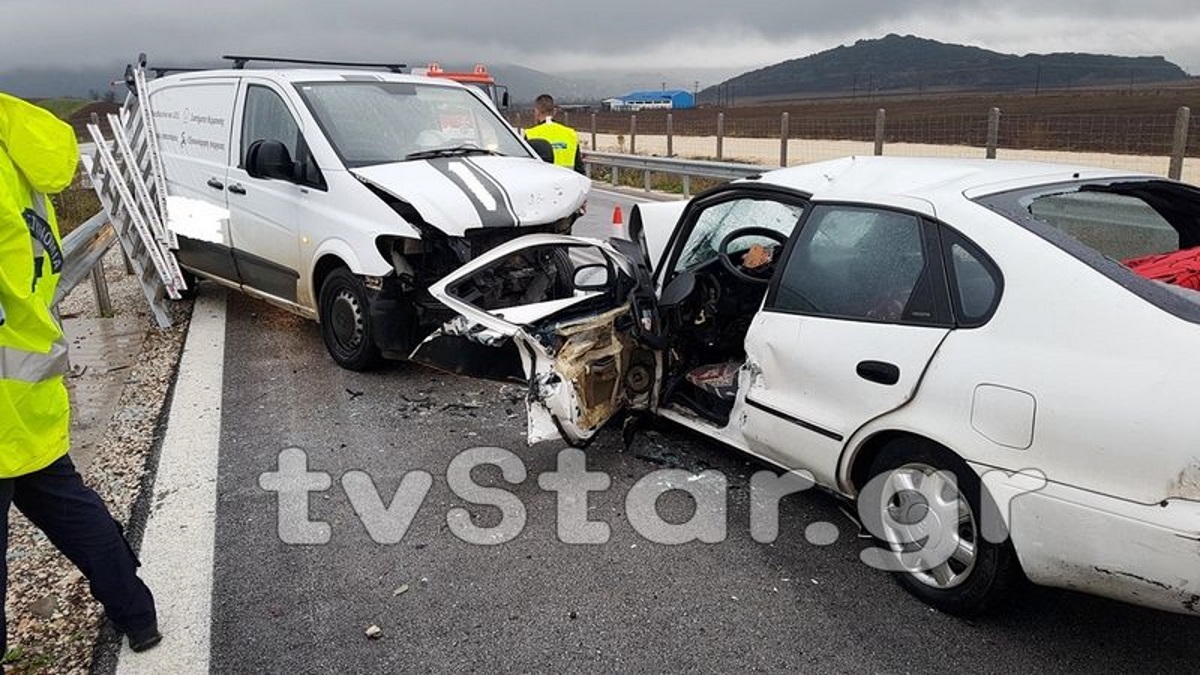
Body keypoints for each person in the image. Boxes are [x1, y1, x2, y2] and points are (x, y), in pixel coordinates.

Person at [0, 93, 160, 653]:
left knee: (66, 506)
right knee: (69, 508)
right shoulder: (17, 146)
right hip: (30, 383)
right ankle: (137, 614)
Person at [524, 94, 584, 173]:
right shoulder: (570, 133)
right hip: (568, 179)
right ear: (554, 112)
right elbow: (579, 167)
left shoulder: (530, 134)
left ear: (536, 112)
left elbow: (525, 166)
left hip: (544, 179)